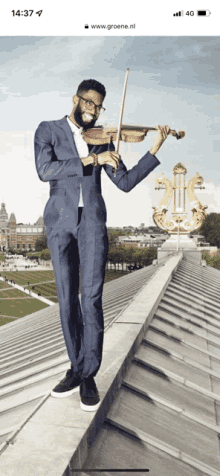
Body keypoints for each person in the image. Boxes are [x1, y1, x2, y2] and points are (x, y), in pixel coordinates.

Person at [34, 78, 170, 412]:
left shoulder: (103, 140)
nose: (93, 111)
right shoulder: (48, 130)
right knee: (67, 300)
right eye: (89, 103)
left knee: (91, 299)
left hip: (92, 222)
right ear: (76, 100)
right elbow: (45, 170)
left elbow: (124, 183)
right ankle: (77, 366)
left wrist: (153, 150)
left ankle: (87, 373)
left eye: (99, 106)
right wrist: (91, 161)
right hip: (60, 221)